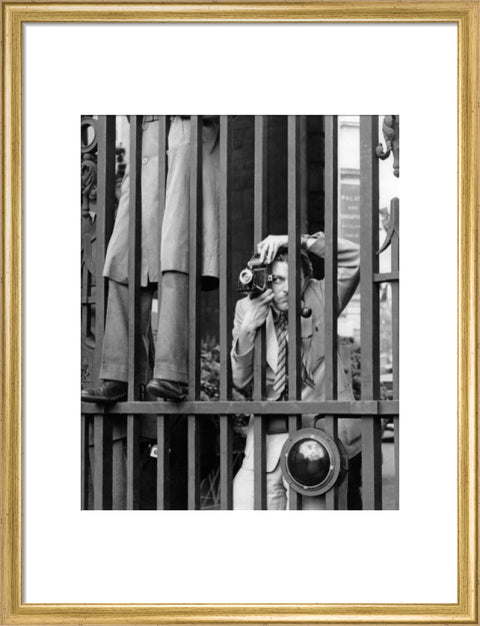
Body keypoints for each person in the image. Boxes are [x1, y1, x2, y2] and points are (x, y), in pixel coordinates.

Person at [82, 115, 220, 404]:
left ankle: (172, 372)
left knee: (176, 250)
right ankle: (119, 374)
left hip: (187, 129)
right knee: (124, 255)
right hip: (147, 137)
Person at [231, 232, 362, 510]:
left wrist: (295, 239)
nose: (285, 289)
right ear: (265, 279)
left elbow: (356, 259)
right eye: (277, 279)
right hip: (265, 443)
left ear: (305, 280)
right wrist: (246, 332)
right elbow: (240, 380)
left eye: (292, 279)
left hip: (319, 439)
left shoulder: (321, 295)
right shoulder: (246, 307)